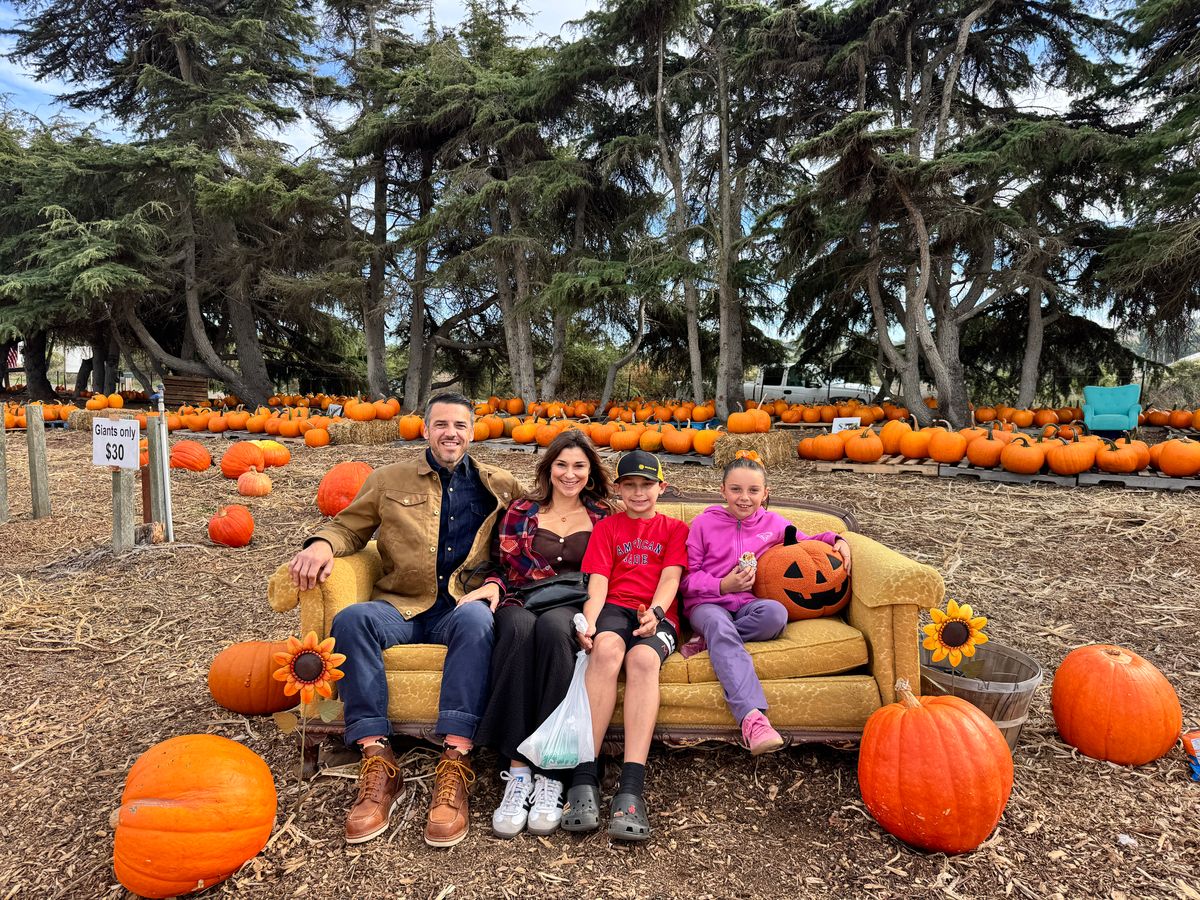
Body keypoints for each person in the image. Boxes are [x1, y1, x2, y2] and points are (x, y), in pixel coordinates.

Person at [287, 392, 521, 848]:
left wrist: (494, 586)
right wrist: (320, 543)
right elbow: (349, 526)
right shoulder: (388, 479)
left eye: (459, 425)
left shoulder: (500, 484)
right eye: (440, 425)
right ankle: (377, 758)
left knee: (477, 623)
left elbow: (523, 543)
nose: (450, 433)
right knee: (353, 620)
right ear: (425, 429)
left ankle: (455, 760)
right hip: (402, 606)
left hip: (460, 606)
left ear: (472, 432)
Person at [470, 430, 615, 839]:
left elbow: (610, 573)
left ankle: (551, 771)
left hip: (573, 604)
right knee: (516, 631)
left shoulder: (604, 514)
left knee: (555, 633)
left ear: (590, 471)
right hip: (522, 599)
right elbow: (501, 564)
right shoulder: (522, 509)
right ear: (549, 468)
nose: (570, 474)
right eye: (562, 465)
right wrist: (494, 586)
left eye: (579, 466)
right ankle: (518, 770)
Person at [679, 455, 851, 754]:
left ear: (765, 492)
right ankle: (752, 719)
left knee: (775, 614)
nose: (744, 498)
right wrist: (722, 585)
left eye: (753, 491)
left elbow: (807, 543)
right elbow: (685, 579)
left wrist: (838, 539)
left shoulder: (774, 524)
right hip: (706, 605)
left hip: (748, 604)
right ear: (722, 491)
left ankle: (712, 641)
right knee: (718, 623)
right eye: (736, 490)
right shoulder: (704, 524)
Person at [562, 449, 688, 842]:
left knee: (643, 661)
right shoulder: (608, 529)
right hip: (615, 607)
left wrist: (657, 611)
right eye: (630, 485)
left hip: (657, 611)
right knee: (606, 650)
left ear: (661, 488)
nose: (638, 493)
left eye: (646, 485)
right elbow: (597, 583)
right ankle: (585, 776)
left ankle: (631, 787)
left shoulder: (673, 529)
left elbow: (670, 578)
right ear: (618, 490)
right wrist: (591, 622)